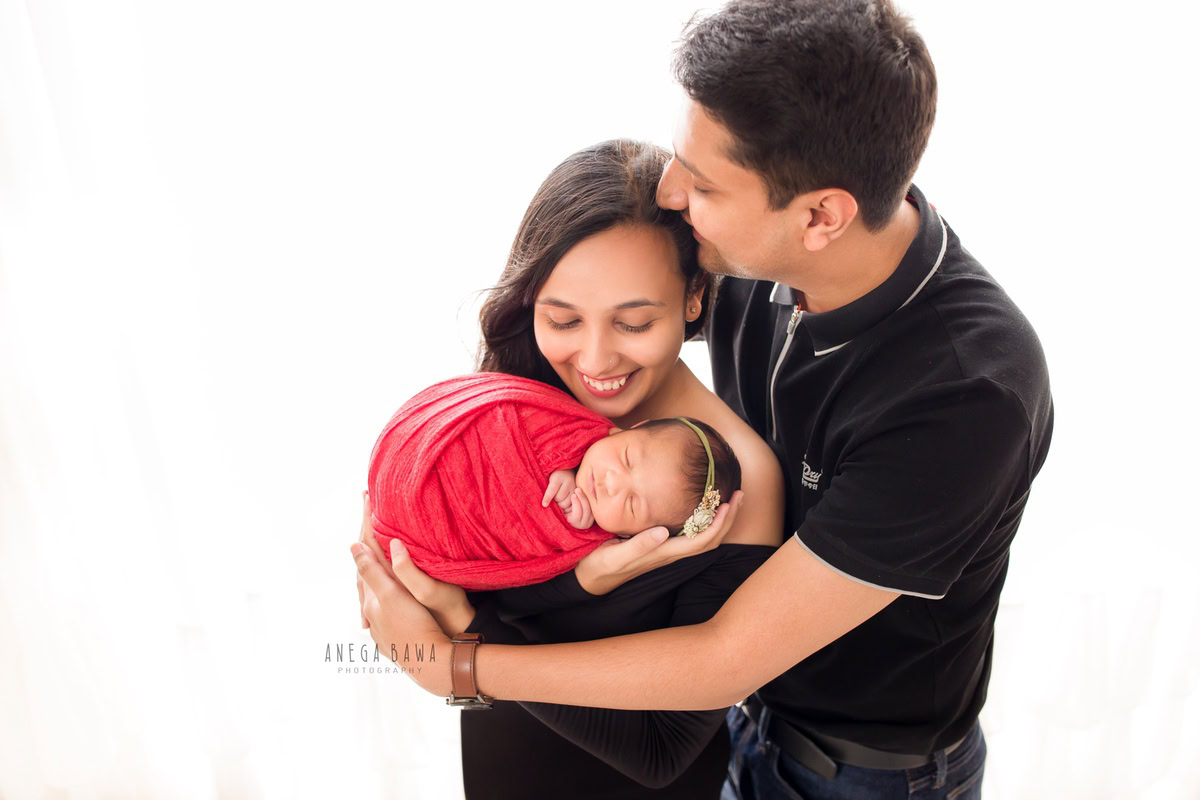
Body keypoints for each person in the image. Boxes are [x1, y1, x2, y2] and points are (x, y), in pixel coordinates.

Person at [353, 1, 1053, 799]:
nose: (672, 190)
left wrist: (455, 661)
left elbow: (724, 655)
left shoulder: (966, 394)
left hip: (860, 769)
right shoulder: (760, 260)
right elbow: (619, 301)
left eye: (705, 182)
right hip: (739, 721)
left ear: (822, 214)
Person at [358, 138, 785, 799]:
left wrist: (464, 645)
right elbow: (407, 586)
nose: (596, 359)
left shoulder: (731, 485)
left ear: (694, 297)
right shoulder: (515, 410)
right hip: (502, 762)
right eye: (561, 319)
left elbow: (662, 750)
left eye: (634, 322)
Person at [366, 370, 741, 590]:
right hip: (424, 443)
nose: (612, 482)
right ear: (627, 430)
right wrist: (559, 464)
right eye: (626, 458)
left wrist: (569, 523)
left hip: (426, 533)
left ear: (632, 535)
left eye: (631, 503)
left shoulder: (588, 539)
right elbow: (512, 417)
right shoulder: (573, 425)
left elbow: (530, 540)